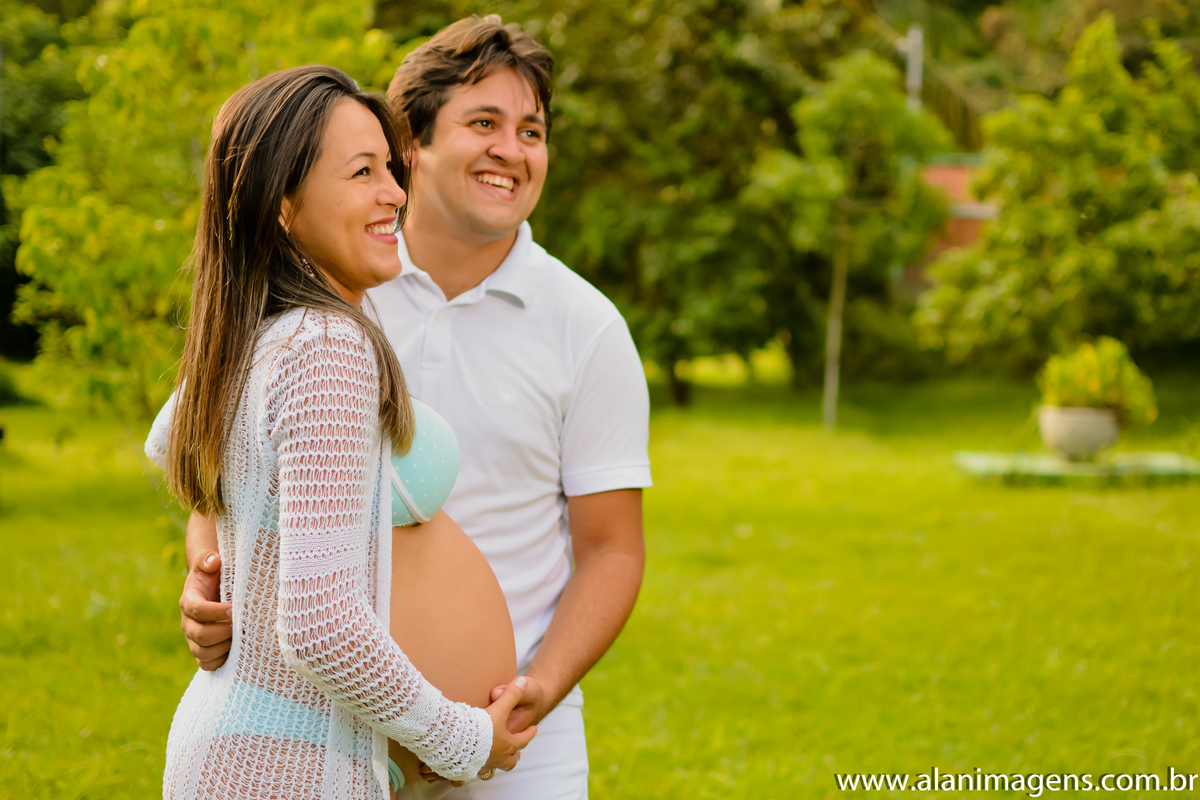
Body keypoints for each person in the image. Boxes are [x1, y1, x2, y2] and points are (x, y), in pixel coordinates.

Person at [180, 16, 652, 799]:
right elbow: (215, 464)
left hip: (514, 741)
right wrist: (210, 579)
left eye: (532, 130)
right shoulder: (332, 286)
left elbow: (613, 550)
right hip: (332, 730)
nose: (513, 149)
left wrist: (535, 688)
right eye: (484, 123)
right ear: (413, 145)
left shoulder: (587, 327)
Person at [146, 64, 536, 800]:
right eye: (363, 172)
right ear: (283, 208)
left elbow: (178, 453)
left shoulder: (250, 340)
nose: (394, 192)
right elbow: (320, 625)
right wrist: (462, 738)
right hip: (284, 770)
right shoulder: (326, 346)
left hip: (237, 748)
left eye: (390, 169)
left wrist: (221, 574)